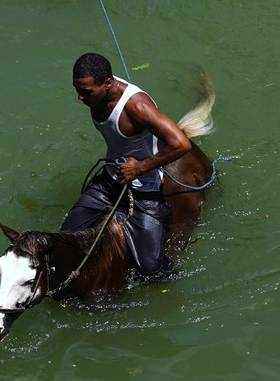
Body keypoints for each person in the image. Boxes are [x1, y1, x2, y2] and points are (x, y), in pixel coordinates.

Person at [61, 53, 192, 278]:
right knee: (65, 238)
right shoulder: (98, 89)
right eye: (77, 90)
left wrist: (140, 168)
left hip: (144, 187)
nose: (80, 97)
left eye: (86, 92)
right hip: (110, 180)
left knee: (151, 269)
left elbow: (181, 144)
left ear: (108, 83)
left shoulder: (137, 107)